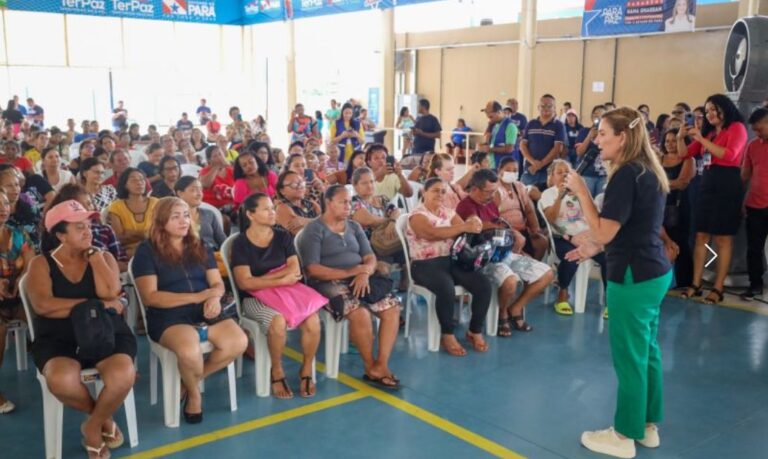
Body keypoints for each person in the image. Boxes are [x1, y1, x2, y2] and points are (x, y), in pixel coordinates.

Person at [566, 107, 672, 459]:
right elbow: (628, 227)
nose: (597, 141)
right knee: (647, 352)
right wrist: (592, 245)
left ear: (622, 137)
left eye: (602, 134)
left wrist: (581, 191)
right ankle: (647, 426)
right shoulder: (648, 171)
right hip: (654, 271)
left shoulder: (626, 174)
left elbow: (605, 229)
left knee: (629, 357)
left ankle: (624, 435)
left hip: (632, 276)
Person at [27, 199, 136, 458]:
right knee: (61, 380)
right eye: (79, 228)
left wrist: (96, 259)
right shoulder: (41, 264)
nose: (88, 231)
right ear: (60, 234)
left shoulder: (103, 256)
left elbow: (111, 292)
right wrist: (96, 304)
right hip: (59, 338)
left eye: (88, 225)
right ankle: (103, 420)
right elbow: (44, 306)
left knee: (122, 374)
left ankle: (92, 426)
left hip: (105, 331)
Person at [133, 197, 247, 424]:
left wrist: (214, 297)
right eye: (175, 216)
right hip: (168, 316)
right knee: (189, 352)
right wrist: (198, 296)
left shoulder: (199, 245)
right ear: (160, 221)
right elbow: (151, 296)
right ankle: (195, 396)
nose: (183, 221)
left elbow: (217, 283)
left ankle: (188, 383)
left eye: (186, 215)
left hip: (203, 309)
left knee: (238, 342)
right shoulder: (147, 251)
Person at [297, 185, 402, 390]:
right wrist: (351, 272)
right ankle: (369, 365)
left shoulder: (354, 227)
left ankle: (381, 364)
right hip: (328, 282)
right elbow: (313, 270)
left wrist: (364, 272)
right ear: (328, 203)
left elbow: (370, 256)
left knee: (392, 308)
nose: (349, 206)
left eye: (350, 201)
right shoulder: (314, 229)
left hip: (360, 277)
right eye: (343, 202)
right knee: (360, 313)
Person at [232, 193, 324, 398]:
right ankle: (276, 369)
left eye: (272, 208)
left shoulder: (283, 236)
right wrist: (280, 279)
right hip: (254, 298)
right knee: (277, 321)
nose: (272, 212)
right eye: (266, 209)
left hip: (288, 293)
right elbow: (244, 283)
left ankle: (307, 368)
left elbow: (294, 267)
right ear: (251, 214)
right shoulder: (241, 243)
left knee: (313, 320)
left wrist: (264, 279)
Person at [457, 169, 553, 335]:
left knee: (547, 274)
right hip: (482, 258)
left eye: (495, 191)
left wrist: (512, 232)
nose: (492, 195)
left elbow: (498, 222)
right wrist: (503, 228)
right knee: (510, 282)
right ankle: (502, 314)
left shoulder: (490, 203)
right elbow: (477, 225)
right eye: (489, 191)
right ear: (474, 189)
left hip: (501, 252)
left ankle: (514, 308)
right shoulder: (466, 205)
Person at [406, 177, 492, 353]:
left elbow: (467, 229)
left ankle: (474, 331)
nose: (440, 194)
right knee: (446, 288)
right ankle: (447, 334)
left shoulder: (449, 212)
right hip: (424, 264)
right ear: (424, 192)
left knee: (483, 284)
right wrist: (463, 227)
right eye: (435, 190)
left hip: (450, 261)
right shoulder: (417, 214)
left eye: (443, 191)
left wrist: (474, 223)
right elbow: (430, 234)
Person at [679, 94, 748, 304]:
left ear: (724, 109)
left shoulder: (736, 128)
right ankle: (696, 283)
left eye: (713, 110)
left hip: (727, 183)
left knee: (723, 239)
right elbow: (685, 155)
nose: (709, 114)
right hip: (707, 183)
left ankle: (718, 287)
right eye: (706, 111)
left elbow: (730, 154)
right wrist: (682, 137)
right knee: (701, 235)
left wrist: (700, 139)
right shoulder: (708, 133)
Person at [540, 160, 608, 316]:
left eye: (567, 172)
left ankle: (610, 301)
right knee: (571, 256)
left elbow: (596, 216)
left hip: (587, 237)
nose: (564, 174)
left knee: (609, 258)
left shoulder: (582, 192)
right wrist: (560, 197)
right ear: (551, 176)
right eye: (559, 172)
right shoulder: (548, 194)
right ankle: (562, 293)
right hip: (562, 237)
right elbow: (550, 219)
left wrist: (581, 193)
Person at [0, 188, 33, 414]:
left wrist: (21, 279)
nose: (3, 207)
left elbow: (31, 262)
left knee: (44, 314)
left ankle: (60, 373)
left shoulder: (18, 233)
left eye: (4, 203)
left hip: (17, 295)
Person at [51, 184, 129, 272]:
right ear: (61, 236)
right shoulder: (59, 238)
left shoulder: (105, 230)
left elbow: (123, 263)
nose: (87, 208)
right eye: (79, 205)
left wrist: (102, 263)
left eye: (89, 203)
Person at [660, 128, 695, 289]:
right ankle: (664, 277)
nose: (670, 144)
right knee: (662, 240)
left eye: (674, 140)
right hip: (660, 204)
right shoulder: (659, 158)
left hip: (680, 205)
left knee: (679, 241)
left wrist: (661, 183)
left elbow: (682, 182)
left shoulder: (688, 159)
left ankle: (683, 280)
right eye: (667, 141)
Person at [495, 156, 548, 260]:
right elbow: (493, 216)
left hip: (523, 229)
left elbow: (529, 210)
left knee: (542, 242)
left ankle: (533, 272)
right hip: (505, 232)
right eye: (508, 170)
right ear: (499, 171)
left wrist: (535, 229)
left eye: (515, 170)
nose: (511, 173)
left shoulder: (519, 187)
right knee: (518, 248)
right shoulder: (495, 189)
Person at [740, 108, 768, 300]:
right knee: (754, 248)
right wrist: (742, 200)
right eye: (755, 130)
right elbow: (745, 175)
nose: (757, 133)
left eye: (760, 129)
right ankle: (755, 284)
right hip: (755, 204)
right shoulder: (752, 146)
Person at [107, 168, 158, 258]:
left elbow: (160, 233)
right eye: (133, 180)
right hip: (129, 252)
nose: (139, 183)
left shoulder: (156, 203)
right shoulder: (116, 206)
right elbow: (119, 238)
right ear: (125, 184)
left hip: (156, 247)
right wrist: (144, 235)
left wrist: (131, 234)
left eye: (142, 179)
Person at [520, 94, 566, 188]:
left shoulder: (558, 125)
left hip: (549, 173)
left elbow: (557, 148)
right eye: (543, 106)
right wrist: (533, 163)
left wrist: (540, 164)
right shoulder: (531, 123)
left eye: (550, 106)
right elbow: (523, 145)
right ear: (538, 107)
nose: (546, 108)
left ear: (554, 108)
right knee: (525, 199)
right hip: (530, 170)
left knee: (546, 200)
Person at [175, 177, 226, 251]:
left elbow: (223, 241)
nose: (199, 194)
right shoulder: (174, 218)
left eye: (200, 190)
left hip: (214, 255)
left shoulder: (209, 214)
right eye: (193, 190)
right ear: (180, 193)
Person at [575, 105, 609, 196]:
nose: (599, 118)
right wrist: (589, 137)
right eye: (596, 115)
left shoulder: (610, 133)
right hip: (587, 174)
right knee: (585, 202)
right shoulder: (584, 131)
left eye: (602, 115)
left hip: (604, 175)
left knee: (600, 203)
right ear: (592, 117)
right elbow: (579, 152)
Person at [274, 170, 320, 235]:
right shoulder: (282, 208)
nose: (299, 186)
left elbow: (330, 222)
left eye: (301, 183)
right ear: (282, 191)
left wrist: (305, 221)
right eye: (294, 184)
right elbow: (304, 235)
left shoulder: (310, 203)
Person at [199, 145, 235, 224]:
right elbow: (205, 184)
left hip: (231, 206)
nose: (219, 157)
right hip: (212, 207)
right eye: (215, 156)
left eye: (220, 154)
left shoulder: (230, 170)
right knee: (225, 220)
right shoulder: (205, 171)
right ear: (209, 160)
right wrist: (216, 167)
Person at [479, 101, 518, 169]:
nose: (489, 119)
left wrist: (490, 149)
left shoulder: (510, 126)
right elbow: (493, 143)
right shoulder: (495, 125)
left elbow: (509, 149)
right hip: (493, 165)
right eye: (488, 117)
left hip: (505, 168)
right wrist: (483, 146)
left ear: (499, 112)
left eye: (491, 117)